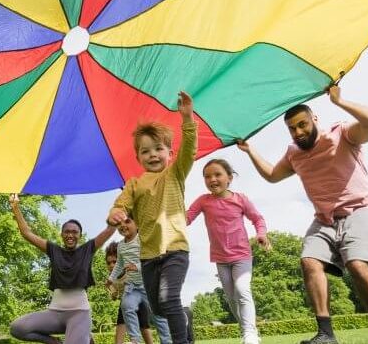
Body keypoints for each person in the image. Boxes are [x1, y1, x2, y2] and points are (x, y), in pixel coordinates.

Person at [236, 86, 368, 344]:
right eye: (292, 128)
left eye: (302, 125)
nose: (298, 132)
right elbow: (272, 176)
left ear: (314, 120)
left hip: (361, 210)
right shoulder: (293, 153)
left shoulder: (341, 133)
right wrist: (250, 149)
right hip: (324, 220)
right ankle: (326, 334)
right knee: (309, 262)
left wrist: (340, 101)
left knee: (357, 265)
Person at [108, 92, 198, 344]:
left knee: (169, 299)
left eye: (159, 149)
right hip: (147, 256)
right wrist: (116, 213)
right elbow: (121, 205)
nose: (153, 155)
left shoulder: (176, 173)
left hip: (175, 250)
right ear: (138, 157)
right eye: (146, 151)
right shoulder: (134, 184)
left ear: (170, 153)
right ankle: (184, 315)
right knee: (158, 309)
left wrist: (187, 118)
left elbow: (189, 150)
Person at [10, 194, 117, 344]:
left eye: (74, 232)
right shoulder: (53, 250)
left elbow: (110, 230)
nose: (70, 235)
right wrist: (15, 207)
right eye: (67, 231)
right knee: (17, 328)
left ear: (80, 235)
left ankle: (83, 333)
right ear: (61, 234)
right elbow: (26, 233)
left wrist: (118, 207)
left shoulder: (87, 249)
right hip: (55, 313)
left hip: (79, 313)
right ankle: (55, 342)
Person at [186, 159, 269, 344]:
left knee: (242, 289)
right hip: (220, 258)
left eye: (217, 175)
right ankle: (248, 330)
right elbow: (187, 218)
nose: (212, 179)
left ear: (229, 178)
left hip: (241, 255)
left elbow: (257, 219)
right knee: (231, 298)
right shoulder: (203, 201)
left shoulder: (240, 199)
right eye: (207, 176)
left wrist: (261, 234)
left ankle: (250, 333)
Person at [107, 217, 172, 344]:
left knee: (157, 315)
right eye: (119, 223)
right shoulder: (121, 246)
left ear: (137, 224)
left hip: (149, 284)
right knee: (127, 305)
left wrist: (136, 266)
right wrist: (110, 279)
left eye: (127, 221)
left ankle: (166, 340)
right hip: (132, 286)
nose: (123, 225)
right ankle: (135, 340)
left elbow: (153, 258)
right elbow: (119, 264)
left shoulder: (143, 239)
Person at [105, 243, 155, 344]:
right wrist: (113, 295)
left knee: (144, 326)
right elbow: (114, 295)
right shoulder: (111, 279)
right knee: (120, 321)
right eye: (109, 263)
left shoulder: (131, 272)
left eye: (115, 262)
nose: (111, 265)